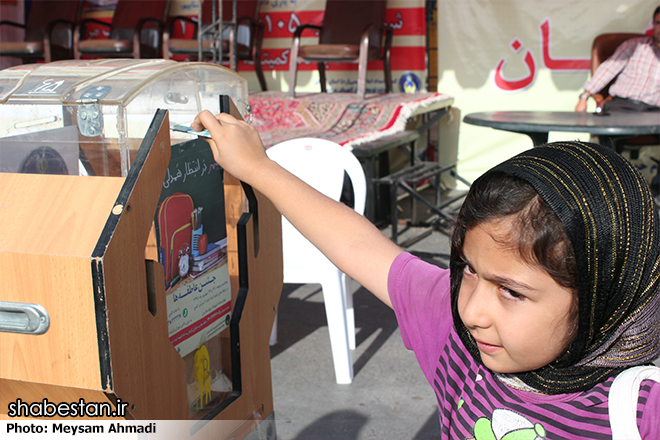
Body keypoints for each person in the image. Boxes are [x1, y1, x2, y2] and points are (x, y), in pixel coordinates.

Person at [192, 110, 660, 439]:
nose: (472, 310)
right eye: (469, 271)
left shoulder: (638, 412)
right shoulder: (460, 340)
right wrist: (257, 167)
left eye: (512, 292)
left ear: (607, 296)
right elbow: (358, 245)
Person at [575, 5, 660, 112]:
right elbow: (608, 69)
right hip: (622, 105)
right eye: (658, 23)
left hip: (653, 112)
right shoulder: (634, 45)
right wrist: (584, 96)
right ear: (653, 24)